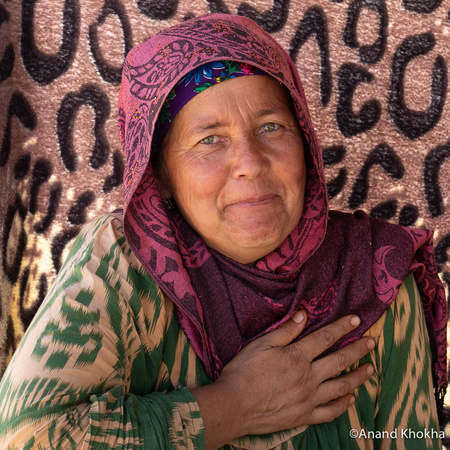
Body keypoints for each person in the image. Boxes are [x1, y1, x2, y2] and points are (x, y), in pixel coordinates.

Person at [0, 13, 446, 449]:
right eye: (209, 139)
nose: (250, 163)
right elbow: (23, 436)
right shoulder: (123, 267)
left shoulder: (377, 274)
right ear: (163, 177)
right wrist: (236, 405)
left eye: (271, 127)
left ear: (305, 142)